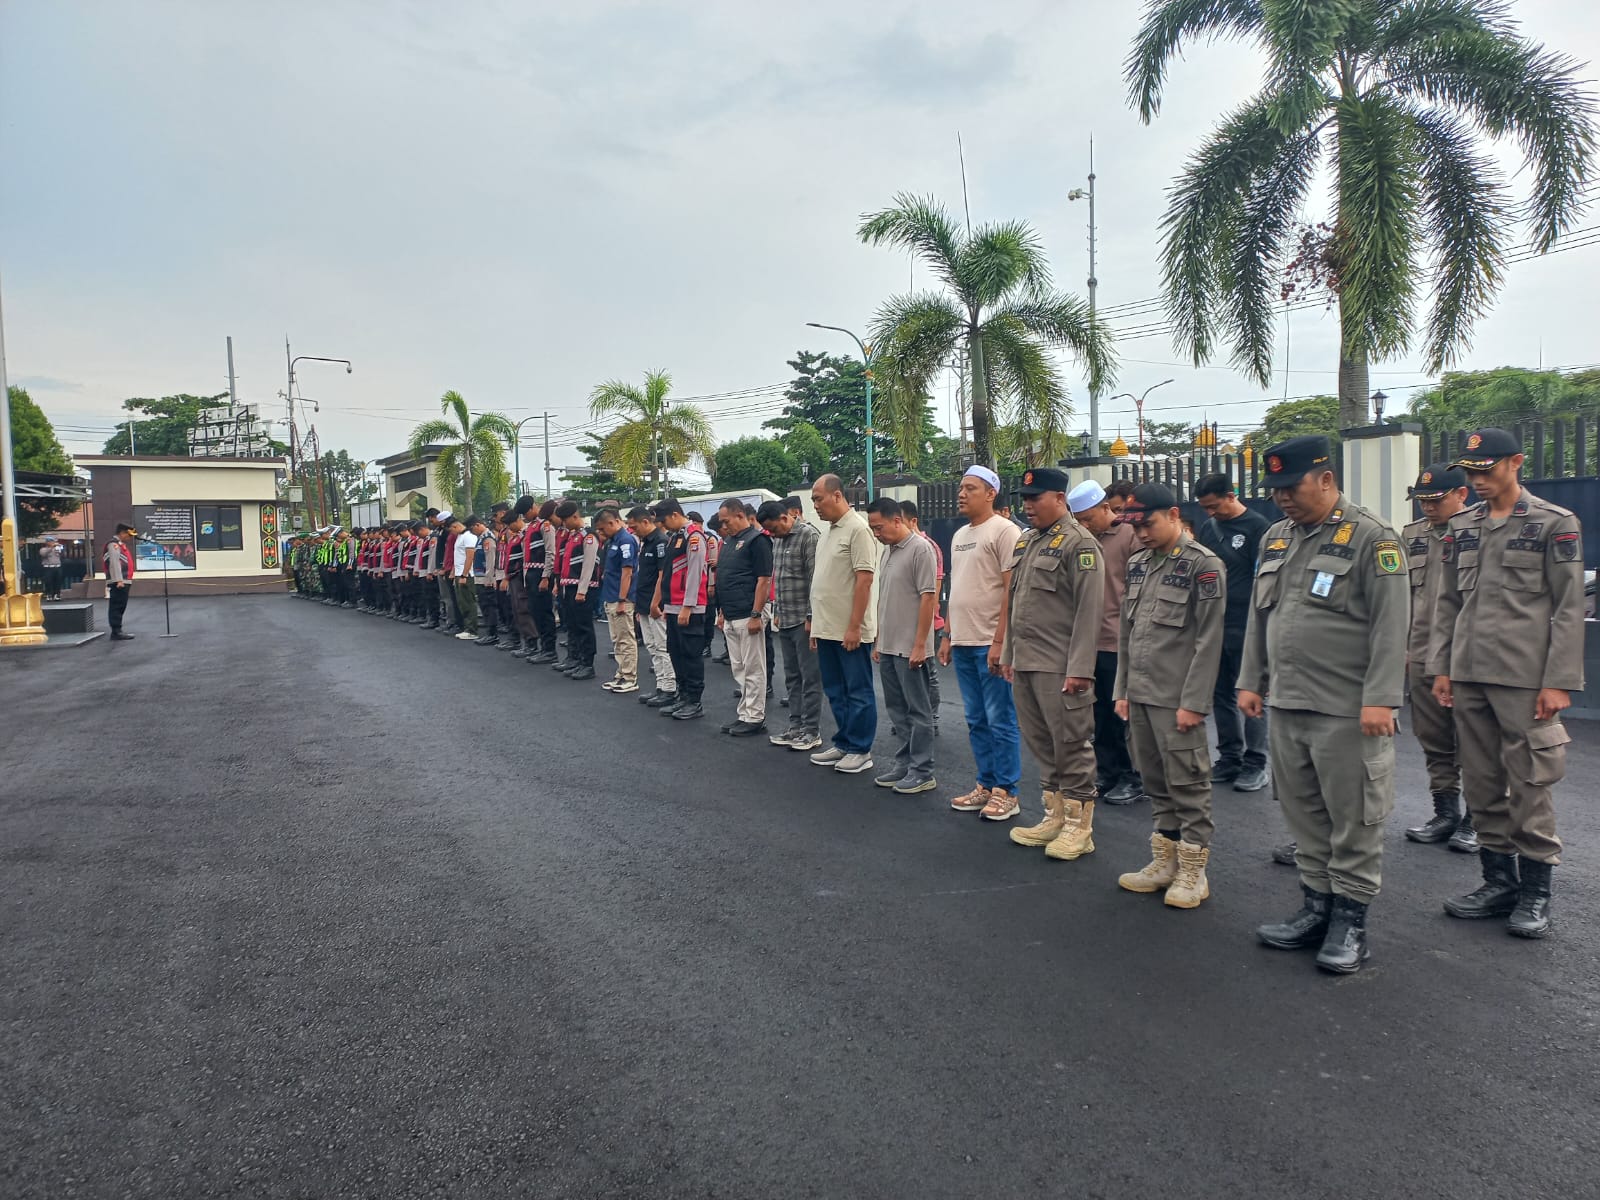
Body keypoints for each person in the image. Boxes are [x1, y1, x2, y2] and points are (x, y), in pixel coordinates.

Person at [1245, 435, 1408, 975]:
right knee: (1305, 815)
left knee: (1354, 819)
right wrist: (1251, 679)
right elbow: (1260, 617)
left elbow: (1392, 625)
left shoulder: (1371, 537)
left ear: (1326, 480)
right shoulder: (1275, 538)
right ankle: (1316, 909)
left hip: (1347, 706)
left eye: (1292, 488)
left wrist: (1382, 698)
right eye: (1276, 490)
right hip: (1287, 703)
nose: (1283, 499)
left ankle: (1350, 924)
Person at [1429, 428, 1586, 938]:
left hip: (1524, 679)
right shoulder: (1462, 527)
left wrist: (1559, 680)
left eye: (1485, 470)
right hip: (1470, 674)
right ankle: (1498, 883)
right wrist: (1444, 667)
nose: (1476, 480)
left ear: (1515, 463)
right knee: (1479, 780)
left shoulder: (1553, 524)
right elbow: (1448, 602)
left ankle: (1536, 891)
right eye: (1470, 472)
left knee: (1530, 782)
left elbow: (1568, 608)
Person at [1112, 483, 1227, 908]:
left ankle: (1193, 871)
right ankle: (1165, 862)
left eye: (1149, 524)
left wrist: (1194, 703)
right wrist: (1122, 689)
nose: (1141, 533)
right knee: (1155, 779)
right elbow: (1127, 631)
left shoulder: (1203, 565)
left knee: (1189, 783)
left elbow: (1208, 640)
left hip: (1176, 697)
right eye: (1135, 526)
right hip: (1141, 693)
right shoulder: (1140, 563)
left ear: (1174, 515)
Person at [1002, 468, 1104, 861]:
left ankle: (1081, 828)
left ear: (1060, 498)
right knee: (1043, 744)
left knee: (1071, 745)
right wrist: (1010, 655)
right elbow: (1016, 605)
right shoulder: (1027, 541)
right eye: (1025, 498)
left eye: (1036, 498)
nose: (1028, 505)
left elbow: (1088, 611)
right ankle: (1054, 817)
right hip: (1027, 661)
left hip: (1060, 665)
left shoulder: (1079, 543)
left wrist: (1080, 668)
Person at [1400, 465, 1477, 852]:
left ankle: (1476, 818)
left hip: (1467, 657)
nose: (1428, 507)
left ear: (1462, 494)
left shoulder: (1478, 533)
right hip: (1423, 653)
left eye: (1436, 499)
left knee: (1475, 741)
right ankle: (1445, 812)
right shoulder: (1411, 536)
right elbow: (1399, 597)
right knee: (1434, 739)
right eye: (1423, 501)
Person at [940, 466, 1023, 820]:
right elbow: (955, 588)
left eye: (970, 488)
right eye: (960, 487)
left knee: (1000, 719)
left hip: (990, 642)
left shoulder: (1006, 531)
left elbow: (1011, 589)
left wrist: (1000, 641)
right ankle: (986, 785)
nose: (962, 493)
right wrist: (946, 635)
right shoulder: (960, 535)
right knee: (975, 719)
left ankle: (1007, 791)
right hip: (961, 641)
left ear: (991, 493)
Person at [1194, 473, 1272, 793]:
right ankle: (1230, 757)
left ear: (1231, 495)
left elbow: (1266, 578)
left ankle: (1256, 763)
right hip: (1214, 624)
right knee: (1220, 694)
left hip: (1247, 625)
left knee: (1251, 694)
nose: (1211, 513)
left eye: (1214, 506)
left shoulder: (1258, 528)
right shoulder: (1208, 529)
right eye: (1205, 508)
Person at [1069, 480, 1144, 804]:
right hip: (1090, 641)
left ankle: (1134, 776)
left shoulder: (1130, 536)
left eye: (1089, 518)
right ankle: (1107, 771)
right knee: (1097, 713)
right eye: (1079, 520)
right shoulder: (1081, 542)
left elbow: (1139, 588)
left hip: (1120, 639)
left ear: (1105, 508)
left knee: (1122, 715)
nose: (1085, 525)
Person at [807, 474, 880, 775]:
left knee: (858, 690)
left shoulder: (858, 529)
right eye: (813, 500)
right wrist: (816, 625)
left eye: (818, 498)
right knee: (836, 689)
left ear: (837, 496)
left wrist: (854, 627)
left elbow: (864, 580)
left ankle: (861, 749)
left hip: (849, 630)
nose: (815, 506)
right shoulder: (827, 532)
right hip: (826, 628)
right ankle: (844, 741)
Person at [867, 498, 939, 793]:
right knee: (897, 709)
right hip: (888, 645)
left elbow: (928, 597)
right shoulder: (887, 552)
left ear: (897, 520)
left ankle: (922, 771)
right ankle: (904, 763)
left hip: (910, 647)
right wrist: (878, 640)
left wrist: (920, 644)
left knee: (918, 711)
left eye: (879, 527)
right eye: (873, 528)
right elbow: (885, 600)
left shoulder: (921, 549)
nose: (876, 533)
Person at [760, 499, 823, 752]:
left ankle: (811, 731)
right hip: (785, 618)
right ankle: (795, 727)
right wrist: (777, 611)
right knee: (792, 677)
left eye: (773, 528)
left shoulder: (809, 536)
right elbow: (779, 578)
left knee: (810, 679)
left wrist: (811, 617)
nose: (771, 534)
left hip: (804, 621)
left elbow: (815, 580)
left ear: (786, 518)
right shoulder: (777, 540)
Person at [714, 498, 773, 736]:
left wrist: (756, 614)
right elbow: (724, 577)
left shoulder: (757, 541)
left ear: (740, 515)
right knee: (739, 667)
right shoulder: (729, 541)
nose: (723, 526)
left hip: (749, 613)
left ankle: (755, 716)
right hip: (731, 613)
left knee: (753, 667)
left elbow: (764, 579)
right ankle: (745, 713)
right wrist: (721, 612)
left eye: (726, 521)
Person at [653, 499, 711, 720]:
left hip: (690, 608)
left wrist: (687, 606)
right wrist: (668, 605)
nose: (663, 525)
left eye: (665, 519)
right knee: (676, 653)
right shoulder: (674, 538)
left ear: (676, 515)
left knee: (691, 655)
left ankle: (694, 701)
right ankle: (683, 695)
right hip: (673, 606)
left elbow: (696, 574)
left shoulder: (693, 537)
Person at [897, 499, 943, 724]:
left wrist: (931, 617)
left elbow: (935, 587)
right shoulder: (898, 547)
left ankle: (931, 716)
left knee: (928, 672)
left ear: (913, 521)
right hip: (906, 622)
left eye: (901, 521)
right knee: (909, 674)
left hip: (928, 622)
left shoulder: (927, 546)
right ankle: (913, 716)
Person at [628, 506, 677, 706]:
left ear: (645, 522)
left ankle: (669, 688)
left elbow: (661, 576)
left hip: (656, 604)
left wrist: (655, 603)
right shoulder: (646, 542)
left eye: (634, 526)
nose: (632, 530)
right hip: (645, 603)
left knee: (663, 646)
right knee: (652, 646)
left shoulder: (660, 542)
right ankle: (660, 685)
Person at [596, 507, 640, 693]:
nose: (600, 533)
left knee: (626, 638)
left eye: (602, 529)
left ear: (612, 522)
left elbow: (627, 573)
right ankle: (621, 673)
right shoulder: (613, 541)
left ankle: (630, 677)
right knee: (617, 639)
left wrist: (622, 599)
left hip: (622, 598)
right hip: (611, 595)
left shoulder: (625, 540)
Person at [556, 503, 601, 680]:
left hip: (582, 588)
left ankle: (587, 664)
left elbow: (589, 565)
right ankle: (576, 659)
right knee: (573, 625)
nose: (564, 523)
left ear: (575, 517)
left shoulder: (588, 536)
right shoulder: (572, 537)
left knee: (584, 627)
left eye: (566, 519)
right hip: (569, 586)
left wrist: (582, 590)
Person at [525, 500, 560, 664]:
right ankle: (543, 648)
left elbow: (550, 552)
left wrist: (546, 576)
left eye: (526, 512)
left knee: (545, 613)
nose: (525, 516)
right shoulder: (530, 527)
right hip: (531, 574)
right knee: (535, 612)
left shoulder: (545, 526)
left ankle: (550, 650)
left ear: (533, 508)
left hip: (541, 574)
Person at [502, 502, 538, 655]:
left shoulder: (525, 536)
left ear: (518, 520)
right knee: (517, 610)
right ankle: (526, 641)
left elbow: (524, 559)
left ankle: (532, 643)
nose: (509, 528)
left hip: (521, 578)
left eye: (510, 524)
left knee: (523, 610)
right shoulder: (516, 537)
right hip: (514, 578)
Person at [104, 523, 138, 640]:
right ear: (122, 533)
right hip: (119, 581)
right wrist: (118, 580)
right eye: (129, 535)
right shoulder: (113, 545)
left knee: (121, 605)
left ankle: (118, 630)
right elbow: (114, 563)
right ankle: (116, 631)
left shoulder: (120, 544)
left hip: (124, 580)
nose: (130, 538)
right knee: (117, 606)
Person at [450, 515, 480, 640]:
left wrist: (464, 574)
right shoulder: (460, 537)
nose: (451, 532)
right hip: (459, 574)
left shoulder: (469, 537)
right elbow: (458, 557)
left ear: (455, 526)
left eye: (451, 529)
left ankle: (472, 630)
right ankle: (467, 628)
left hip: (466, 575)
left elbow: (470, 557)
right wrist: (454, 573)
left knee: (469, 602)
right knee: (462, 603)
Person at [39, 536, 65, 601]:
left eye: (53, 541)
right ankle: (49, 594)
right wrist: (51, 547)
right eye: (50, 541)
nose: (52, 543)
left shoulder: (56, 549)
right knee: (48, 581)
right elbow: (43, 554)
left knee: (58, 581)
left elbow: (62, 553)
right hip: (48, 568)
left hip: (57, 567)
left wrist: (59, 547)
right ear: (47, 542)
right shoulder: (43, 549)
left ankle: (57, 595)